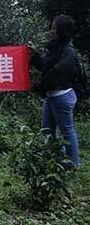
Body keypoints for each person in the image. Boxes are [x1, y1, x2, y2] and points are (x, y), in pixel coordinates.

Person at [30, 14, 87, 169]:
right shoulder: (55, 47)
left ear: (61, 30)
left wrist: (38, 85)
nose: (52, 30)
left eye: (55, 27)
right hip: (52, 96)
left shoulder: (68, 51)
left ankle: (72, 165)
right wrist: (34, 56)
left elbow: (56, 74)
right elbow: (46, 67)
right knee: (46, 130)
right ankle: (58, 160)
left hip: (61, 97)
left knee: (67, 131)